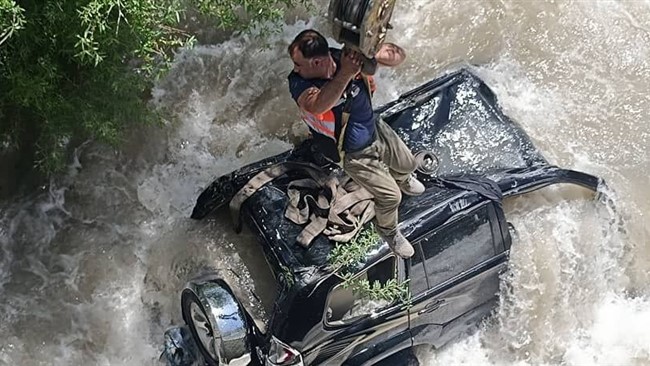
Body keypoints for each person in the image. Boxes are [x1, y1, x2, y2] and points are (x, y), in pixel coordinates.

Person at [286, 29, 424, 259]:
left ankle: (402, 178)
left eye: (298, 63)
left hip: (374, 127)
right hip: (353, 153)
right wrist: (346, 75)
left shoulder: (344, 57)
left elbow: (398, 57)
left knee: (407, 164)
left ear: (318, 60)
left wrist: (375, 50)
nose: (295, 68)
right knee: (391, 197)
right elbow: (317, 105)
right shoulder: (298, 82)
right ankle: (389, 231)